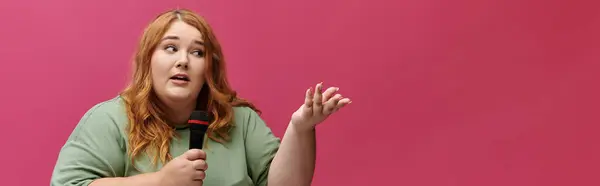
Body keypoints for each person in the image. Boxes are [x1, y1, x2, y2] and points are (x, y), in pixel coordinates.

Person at [50, 8, 351, 186]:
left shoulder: (240, 120)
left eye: (197, 52)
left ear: (209, 67)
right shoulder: (110, 119)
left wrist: (300, 128)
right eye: (170, 48)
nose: (183, 61)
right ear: (147, 59)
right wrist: (161, 181)